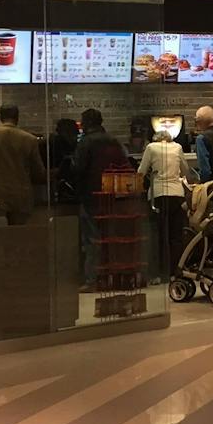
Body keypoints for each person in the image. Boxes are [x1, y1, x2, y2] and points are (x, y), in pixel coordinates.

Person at [72, 108, 129, 290]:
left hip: (91, 197)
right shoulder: (113, 140)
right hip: (113, 196)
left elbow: (78, 169)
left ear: (86, 123)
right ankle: (113, 277)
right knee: (111, 239)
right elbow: (124, 164)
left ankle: (93, 280)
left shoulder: (86, 143)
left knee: (92, 240)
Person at [138, 128, 189, 281]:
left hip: (158, 196)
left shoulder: (151, 148)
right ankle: (176, 271)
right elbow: (186, 170)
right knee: (176, 236)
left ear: (156, 138)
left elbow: (141, 171)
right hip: (177, 194)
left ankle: (159, 273)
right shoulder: (178, 147)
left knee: (159, 235)